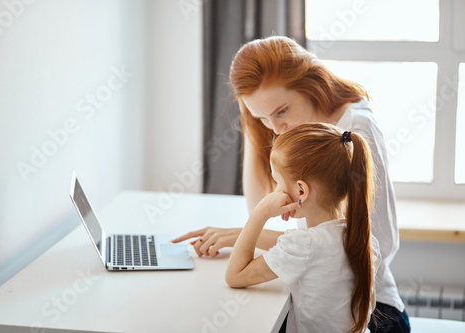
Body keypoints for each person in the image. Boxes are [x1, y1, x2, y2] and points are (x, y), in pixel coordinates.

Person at [172, 36, 410, 332]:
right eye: (262, 117)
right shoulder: (279, 128)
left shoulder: (354, 130)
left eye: (281, 111)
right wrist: (256, 125)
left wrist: (247, 235)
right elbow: (265, 208)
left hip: (377, 314)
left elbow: (377, 242)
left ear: (311, 85)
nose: (275, 127)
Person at [225, 123, 379, 333]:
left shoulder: (304, 245)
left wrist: (260, 213)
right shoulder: (364, 239)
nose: (276, 190)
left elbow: (235, 276)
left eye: (277, 181)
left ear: (301, 190)